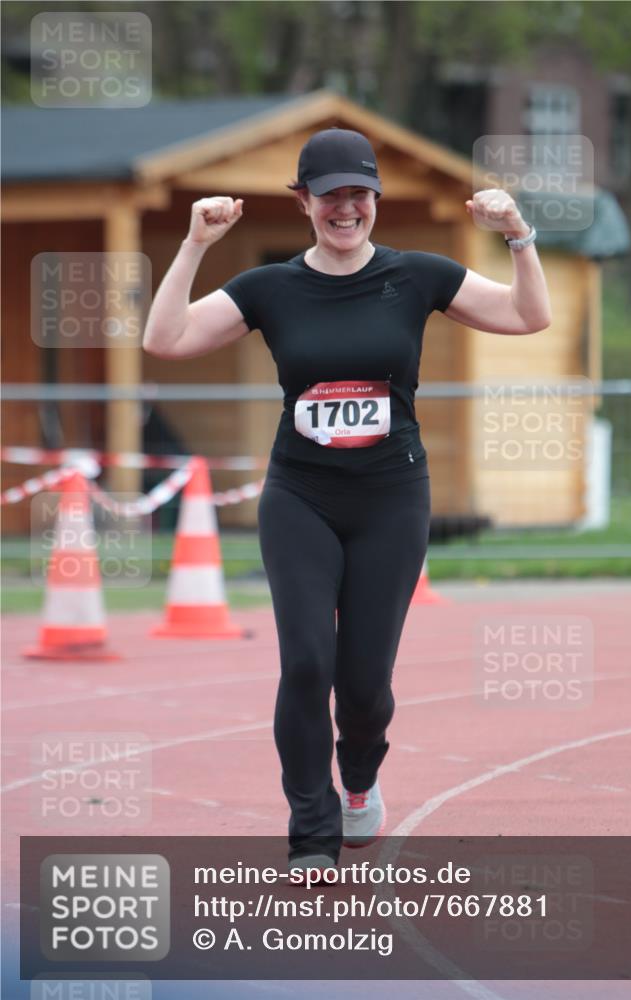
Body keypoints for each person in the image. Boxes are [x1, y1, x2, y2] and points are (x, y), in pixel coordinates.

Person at [143, 127, 551, 880]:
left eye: (358, 194)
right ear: (304, 202)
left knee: (363, 688)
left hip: (392, 498)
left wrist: (518, 235)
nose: (345, 208)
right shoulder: (269, 288)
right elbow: (164, 338)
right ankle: (310, 832)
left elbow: (528, 318)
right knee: (305, 663)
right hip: (300, 495)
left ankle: (358, 778)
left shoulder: (418, 276)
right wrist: (196, 245)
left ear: (373, 201)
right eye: (329, 195)